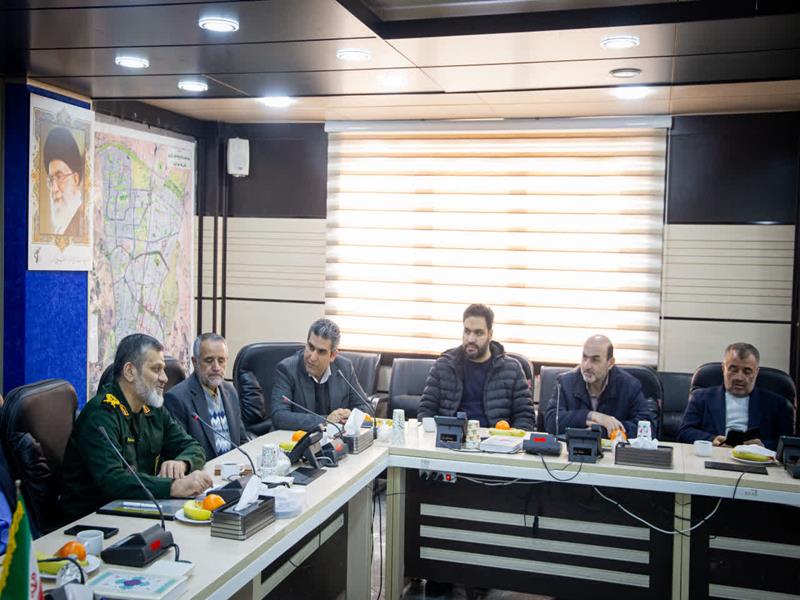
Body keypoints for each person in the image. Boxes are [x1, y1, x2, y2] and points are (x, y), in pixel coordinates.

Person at [61, 334, 211, 520]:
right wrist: (173, 486)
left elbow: (194, 447)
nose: (164, 378)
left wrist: (182, 462)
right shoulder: (100, 415)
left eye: (163, 370)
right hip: (92, 521)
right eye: (156, 369)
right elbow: (113, 481)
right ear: (130, 372)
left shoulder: (153, 408)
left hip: (137, 510)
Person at [417, 304, 535, 430]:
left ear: (490, 334)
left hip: (496, 439)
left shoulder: (512, 369)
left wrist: (510, 439)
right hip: (450, 437)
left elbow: (525, 417)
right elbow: (426, 411)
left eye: (478, 333)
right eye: (467, 331)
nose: (471, 339)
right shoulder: (444, 365)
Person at [677, 343, 793, 451]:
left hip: (755, 461)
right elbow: (684, 432)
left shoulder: (777, 404)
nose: (739, 377)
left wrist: (763, 446)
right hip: (715, 454)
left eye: (747, 371)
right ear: (723, 369)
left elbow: (787, 443)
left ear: (756, 372)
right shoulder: (701, 397)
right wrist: (712, 440)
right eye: (733, 370)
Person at [270, 318, 370, 431]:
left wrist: (351, 415)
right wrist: (326, 420)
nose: (312, 357)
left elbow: (366, 407)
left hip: (333, 439)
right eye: (310, 347)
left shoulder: (344, 368)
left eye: (321, 352)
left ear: (332, 355)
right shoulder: (287, 369)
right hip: (294, 439)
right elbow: (279, 416)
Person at [544, 334, 651, 438]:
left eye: (595, 360)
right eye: (584, 357)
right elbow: (551, 422)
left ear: (610, 363)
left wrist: (602, 430)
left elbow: (647, 427)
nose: (587, 366)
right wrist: (591, 415)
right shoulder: (565, 382)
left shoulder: (629, 385)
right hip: (573, 449)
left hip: (613, 449)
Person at [165, 333, 248, 460]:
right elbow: (180, 452)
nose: (216, 367)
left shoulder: (230, 391)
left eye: (221, 360)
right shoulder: (177, 398)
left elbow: (241, 440)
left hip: (234, 467)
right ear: (195, 362)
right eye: (209, 360)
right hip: (203, 469)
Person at [42, 126, 87, 238]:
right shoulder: (60, 228)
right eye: (51, 180)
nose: (54, 189)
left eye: (59, 176)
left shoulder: (84, 222)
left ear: (75, 179)